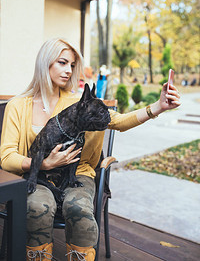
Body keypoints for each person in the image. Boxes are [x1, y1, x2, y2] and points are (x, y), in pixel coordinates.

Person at [0, 38, 181, 261]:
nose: (69, 71)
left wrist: (159, 106)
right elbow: (7, 157)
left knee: (79, 210)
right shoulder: (18, 106)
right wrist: (45, 164)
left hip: (77, 174)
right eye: (63, 63)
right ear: (44, 63)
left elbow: (120, 121)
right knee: (36, 208)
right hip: (36, 177)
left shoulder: (80, 103)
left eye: (72, 65)